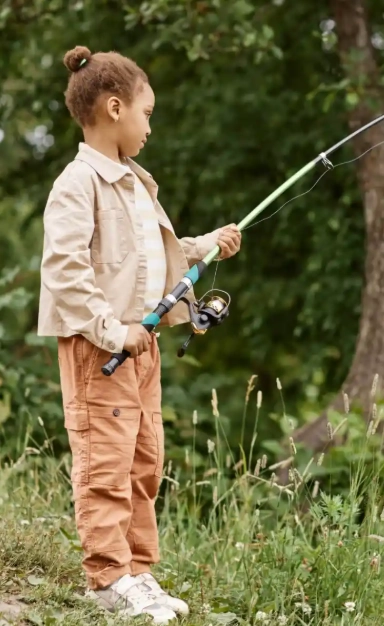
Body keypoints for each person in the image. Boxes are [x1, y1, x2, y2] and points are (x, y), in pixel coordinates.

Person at [37, 45, 242, 624]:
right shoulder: (78, 184)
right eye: (147, 113)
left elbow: (157, 257)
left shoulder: (134, 182)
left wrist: (208, 244)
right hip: (101, 347)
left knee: (143, 461)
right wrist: (111, 329)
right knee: (106, 460)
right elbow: (64, 272)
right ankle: (107, 579)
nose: (151, 124)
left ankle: (138, 573)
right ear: (115, 106)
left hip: (142, 346)